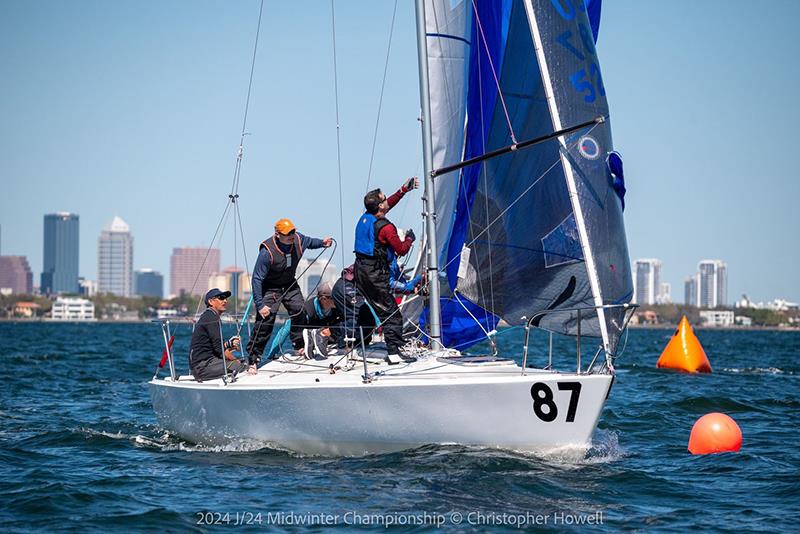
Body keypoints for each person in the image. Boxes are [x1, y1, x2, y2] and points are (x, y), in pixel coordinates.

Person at [246, 218, 332, 367]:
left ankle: (298, 344)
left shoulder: (298, 239)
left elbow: (310, 242)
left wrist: (322, 243)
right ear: (277, 234)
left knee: (299, 309)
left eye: (293, 231)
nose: (291, 235)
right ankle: (253, 358)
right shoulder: (267, 252)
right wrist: (260, 305)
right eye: (287, 233)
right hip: (270, 288)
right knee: (266, 320)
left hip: (289, 284)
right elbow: (257, 279)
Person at [353, 178, 418, 362]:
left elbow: (389, 203)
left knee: (384, 312)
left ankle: (393, 349)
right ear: (380, 206)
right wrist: (410, 239)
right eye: (384, 200)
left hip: (361, 271)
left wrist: (403, 190)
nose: (387, 201)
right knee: (392, 314)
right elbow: (402, 250)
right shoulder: (386, 228)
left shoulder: (366, 216)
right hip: (374, 275)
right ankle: (394, 353)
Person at [189, 288, 251, 381]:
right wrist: (235, 360)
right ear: (211, 301)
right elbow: (220, 351)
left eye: (226, 298)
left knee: (245, 361)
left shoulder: (210, 316)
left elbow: (215, 347)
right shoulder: (212, 318)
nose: (225, 300)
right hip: (203, 367)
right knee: (243, 366)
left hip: (204, 364)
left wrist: (229, 345)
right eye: (221, 298)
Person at [331, 264, 376, 351]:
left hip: (356, 328)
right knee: (360, 317)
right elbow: (358, 307)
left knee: (367, 318)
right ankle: (326, 335)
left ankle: (359, 341)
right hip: (350, 323)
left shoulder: (353, 284)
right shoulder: (345, 286)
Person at [300, 282, 343, 358]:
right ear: (323, 299)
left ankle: (321, 340)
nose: (336, 300)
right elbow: (291, 326)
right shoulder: (308, 309)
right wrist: (298, 346)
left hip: (328, 338)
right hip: (309, 334)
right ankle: (312, 343)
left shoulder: (337, 307)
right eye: (333, 297)